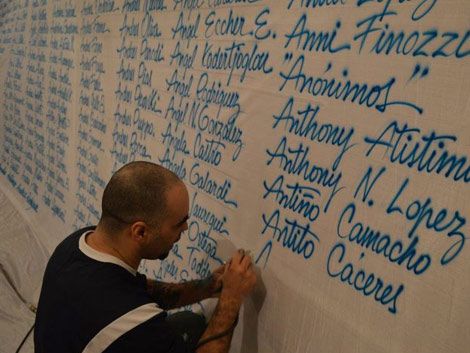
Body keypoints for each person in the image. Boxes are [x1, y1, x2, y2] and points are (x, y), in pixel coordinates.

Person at [34, 161, 257, 353]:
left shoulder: (78, 244)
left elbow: (139, 290)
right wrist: (230, 300)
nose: (186, 228)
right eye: (179, 224)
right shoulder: (129, 327)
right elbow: (131, 315)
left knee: (187, 322)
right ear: (140, 232)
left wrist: (207, 287)